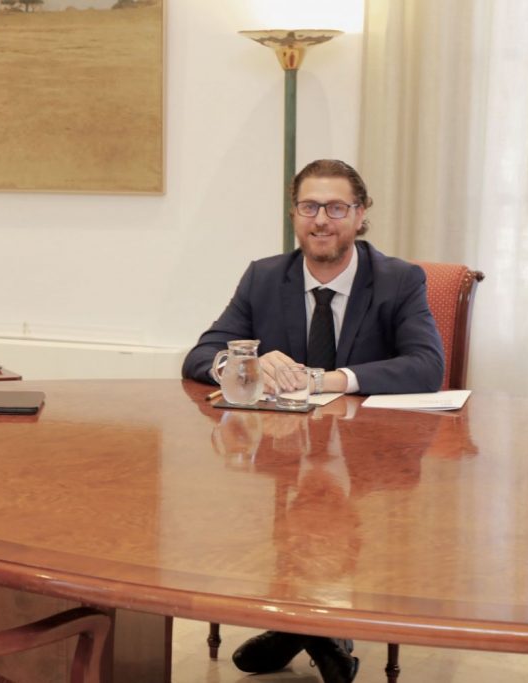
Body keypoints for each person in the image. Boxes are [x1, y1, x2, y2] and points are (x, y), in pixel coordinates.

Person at [182, 159, 445, 683]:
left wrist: (330, 378)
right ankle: (319, 634)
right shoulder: (264, 276)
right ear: (294, 214)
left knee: (322, 533)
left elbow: (427, 366)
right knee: (246, 525)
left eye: (336, 208)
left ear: (360, 215)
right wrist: (246, 364)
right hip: (282, 460)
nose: (321, 220)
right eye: (309, 207)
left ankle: (305, 629)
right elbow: (199, 355)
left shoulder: (397, 280)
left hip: (369, 462)